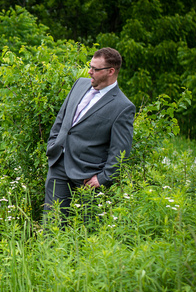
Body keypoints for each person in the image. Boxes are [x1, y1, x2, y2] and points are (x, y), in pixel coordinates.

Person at [44, 47, 135, 219]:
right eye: (90, 66)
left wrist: (103, 178)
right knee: (52, 223)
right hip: (58, 164)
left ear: (111, 71)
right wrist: (53, 144)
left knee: (86, 230)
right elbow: (62, 119)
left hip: (88, 176)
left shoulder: (123, 106)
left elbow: (121, 150)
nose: (89, 71)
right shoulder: (80, 84)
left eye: (95, 69)